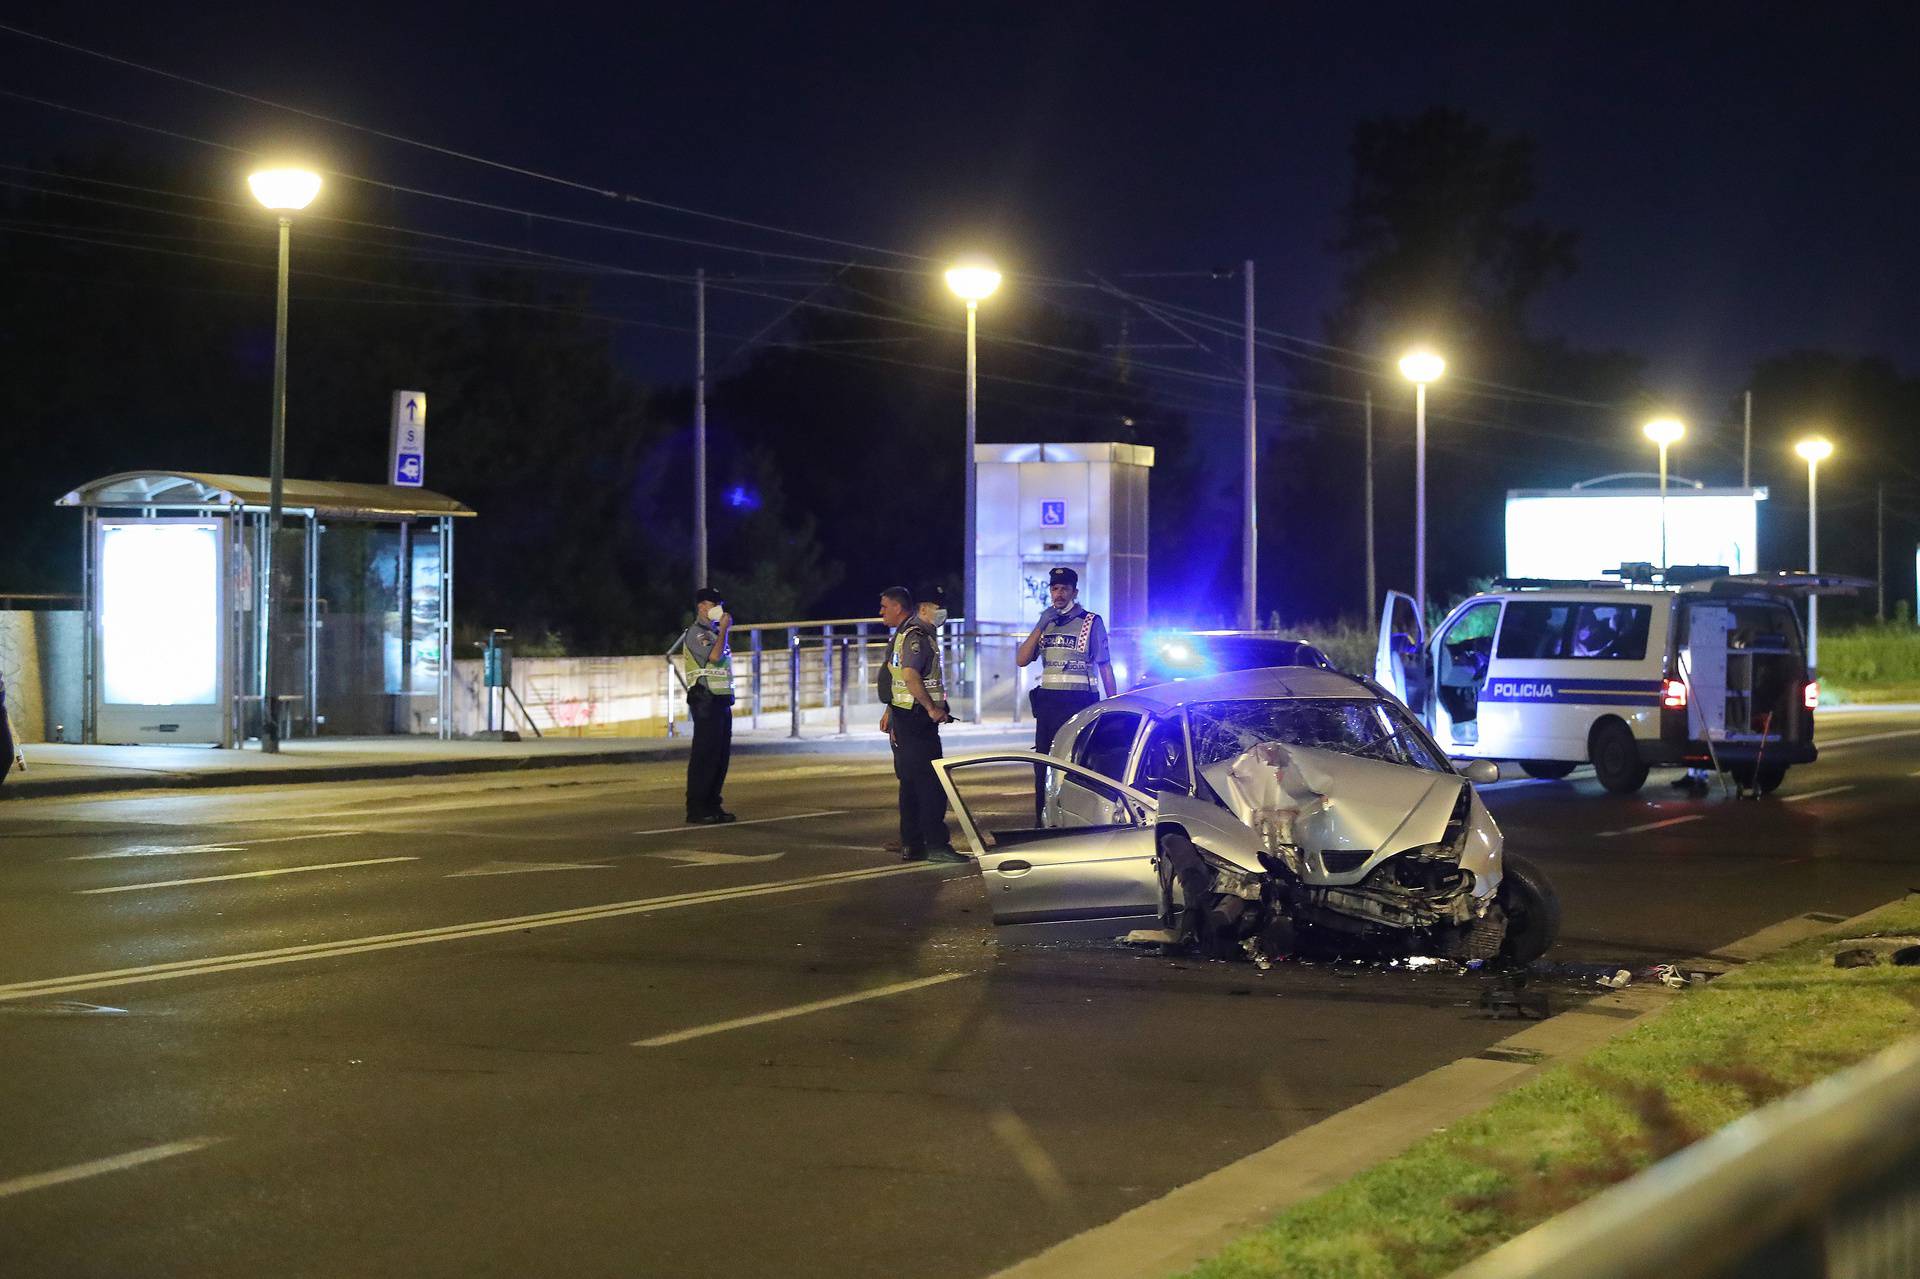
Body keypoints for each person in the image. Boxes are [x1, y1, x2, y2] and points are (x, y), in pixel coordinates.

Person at [1015, 566, 1117, 820]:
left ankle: (1076, 819)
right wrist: (1040, 624)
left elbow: (1105, 665)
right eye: (1055, 588)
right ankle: (1041, 821)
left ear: (1075, 591)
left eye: (1064, 589)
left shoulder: (1091, 622)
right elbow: (1021, 659)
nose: (1058, 594)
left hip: (1079, 702)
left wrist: (1114, 703)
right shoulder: (1046, 623)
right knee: (1043, 765)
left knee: (1077, 766)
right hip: (1049, 703)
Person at [877, 586, 964, 863]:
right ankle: (936, 845)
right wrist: (931, 708)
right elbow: (910, 676)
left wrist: (891, 711)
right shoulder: (918, 637)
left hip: (904, 718)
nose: (943, 613)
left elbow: (895, 678)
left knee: (911, 784)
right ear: (924, 609)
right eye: (939, 607)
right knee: (931, 785)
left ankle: (912, 844)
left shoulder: (905, 634)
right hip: (916, 719)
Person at [668, 587, 737, 824]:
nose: (718, 609)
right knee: (704, 756)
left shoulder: (714, 632)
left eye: (720, 604)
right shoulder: (698, 633)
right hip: (705, 700)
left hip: (721, 699)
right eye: (713, 604)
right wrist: (725, 629)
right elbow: (715, 657)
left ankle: (712, 804)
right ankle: (697, 808)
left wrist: (722, 630)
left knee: (720, 757)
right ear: (701, 607)